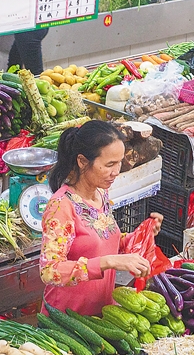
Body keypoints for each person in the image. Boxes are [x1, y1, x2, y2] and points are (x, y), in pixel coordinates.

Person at [39, 120, 163, 316]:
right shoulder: (61, 206)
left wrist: (143, 232)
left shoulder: (100, 194)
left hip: (100, 315)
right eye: (109, 164)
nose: (116, 171)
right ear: (82, 161)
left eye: (120, 162)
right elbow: (50, 271)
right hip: (65, 321)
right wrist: (108, 262)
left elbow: (106, 240)